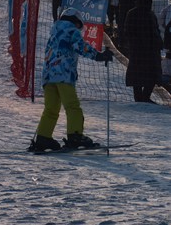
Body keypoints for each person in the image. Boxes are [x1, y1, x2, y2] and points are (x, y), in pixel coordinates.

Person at [29, 8, 112, 152]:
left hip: (48, 77)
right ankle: (75, 136)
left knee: (51, 109)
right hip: (64, 75)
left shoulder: (54, 33)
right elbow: (81, 46)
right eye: (79, 25)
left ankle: (43, 137)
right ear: (75, 21)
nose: (79, 29)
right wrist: (99, 56)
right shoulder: (71, 30)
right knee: (72, 106)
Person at [122, 0, 163, 103]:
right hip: (143, 50)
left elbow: (128, 32)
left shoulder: (139, 13)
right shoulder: (143, 14)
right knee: (145, 75)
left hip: (142, 50)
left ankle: (143, 97)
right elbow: (129, 32)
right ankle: (142, 98)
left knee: (142, 75)